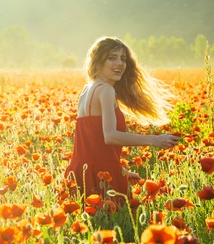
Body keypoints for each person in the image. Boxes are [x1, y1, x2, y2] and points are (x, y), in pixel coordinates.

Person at [65, 36, 180, 203]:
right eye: (112, 58)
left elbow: (93, 145)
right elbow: (110, 136)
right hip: (102, 177)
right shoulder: (106, 90)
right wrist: (154, 140)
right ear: (97, 62)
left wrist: (122, 171)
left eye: (123, 59)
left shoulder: (87, 89)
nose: (119, 63)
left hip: (79, 174)